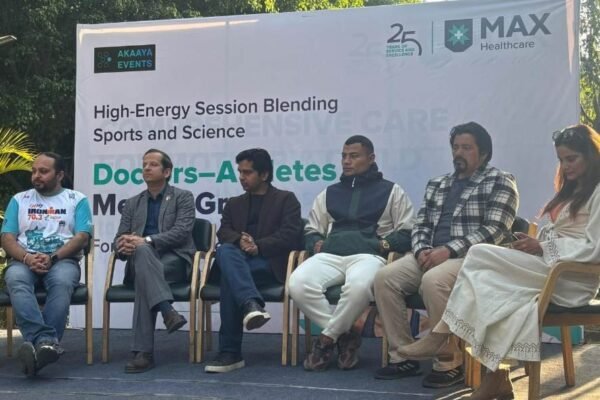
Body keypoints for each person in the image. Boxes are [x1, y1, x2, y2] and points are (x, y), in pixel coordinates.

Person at [397, 124, 600, 399]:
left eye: (571, 159)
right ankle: (496, 377)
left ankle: (442, 334)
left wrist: (542, 246)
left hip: (571, 278)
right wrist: (534, 243)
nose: (565, 166)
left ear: (591, 155)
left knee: (479, 253)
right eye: (561, 160)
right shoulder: (574, 190)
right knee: (487, 290)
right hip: (551, 267)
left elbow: (594, 247)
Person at [374, 122, 519, 388]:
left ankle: (449, 361)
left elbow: (496, 229)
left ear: (483, 153)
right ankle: (403, 355)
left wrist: (449, 250)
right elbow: (420, 224)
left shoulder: (500, 180)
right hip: (430, 254)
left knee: (434, 281)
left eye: (466, 148)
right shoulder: (438, 184)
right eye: (455, 147)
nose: (458, 153)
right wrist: (421, 250)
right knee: (385, 278)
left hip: (473, 257)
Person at [289, 135, 415, 371]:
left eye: (354, 156)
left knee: (359, 286)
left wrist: (381, 245)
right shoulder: (329, 192)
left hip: (369, 256)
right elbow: (312, 230)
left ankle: (325, 341)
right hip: (331, 255)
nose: (346, 161)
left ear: (371, 158)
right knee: (297, 283)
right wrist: (316, 244)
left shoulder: (391, 191)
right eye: (344, 156)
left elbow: (407, 231)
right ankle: (345, 337)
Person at [204, 148, 303, 373]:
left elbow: (290, 235)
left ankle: (230, 353)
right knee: (226, 250)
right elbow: (224, 232)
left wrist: (258, 245)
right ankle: (250, 303)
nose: (241, 177)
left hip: (268, 264)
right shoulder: (234, 203)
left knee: (230, 278)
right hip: (238, 261)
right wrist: (240, 240)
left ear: (264, 174)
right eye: (240, 172)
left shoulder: (286, 199)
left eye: (247, 172)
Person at [1, 152, 93, 376]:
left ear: (59, 175)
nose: (36, 176)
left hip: (62, 260)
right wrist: (27, 258)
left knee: (61, 282)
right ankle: (45, 342)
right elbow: (7, 238)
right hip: (24, 260)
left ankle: (39, 346)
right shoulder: (20, 200)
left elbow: (82, 237)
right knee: (15, 278)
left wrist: (53, 257)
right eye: (34, 171)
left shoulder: (76, 199)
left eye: (43, 171)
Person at [114, 149, 195, 373]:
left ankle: (143, 353)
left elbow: (182, 232)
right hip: (141, 263)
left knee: (143, 263)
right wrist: (122, 246)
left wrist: (146, 240)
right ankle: (167, 311)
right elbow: (119, 238)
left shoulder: (183, 197)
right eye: (144, 165)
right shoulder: (132, 203)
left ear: (167, 172)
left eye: (153, 164)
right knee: (142, 258)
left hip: (174, 261)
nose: (146, 168)